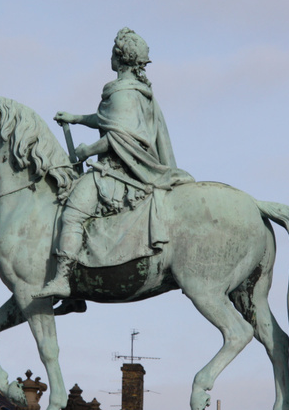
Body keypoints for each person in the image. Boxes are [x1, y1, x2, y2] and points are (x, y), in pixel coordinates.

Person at [36, 28, 193, 299]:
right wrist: (76, 118)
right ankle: (75, 295)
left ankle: (62, 279)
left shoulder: (123, 93)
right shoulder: (135, 92)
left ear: (120, 57)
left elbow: (118, 136)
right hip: (123, 169)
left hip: (117, 174)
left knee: (71, 213)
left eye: (113, 52)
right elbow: (109, 121)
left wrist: (88, 150)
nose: (110, 56)